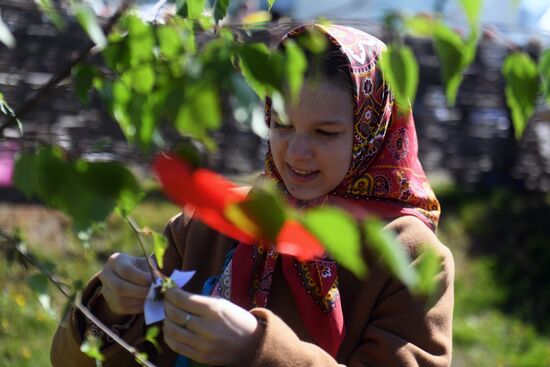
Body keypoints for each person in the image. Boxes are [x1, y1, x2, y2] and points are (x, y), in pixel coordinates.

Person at [51, 24, 454, 367]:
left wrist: (256, 348)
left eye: (325, 133)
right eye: (281, 125)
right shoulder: (210, 220)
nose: (296, 152)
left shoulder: (412, 257)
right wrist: (110, 307)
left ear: (373, 131)